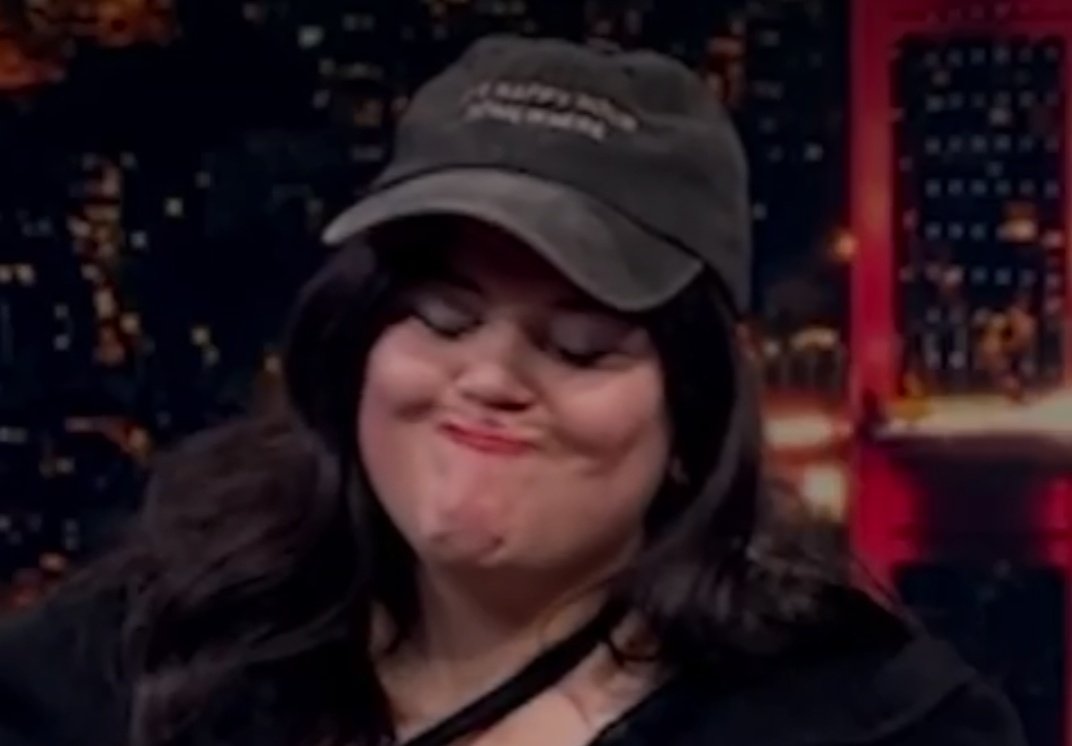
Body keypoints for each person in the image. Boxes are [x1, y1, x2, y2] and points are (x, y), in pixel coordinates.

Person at [0, 35, 1024, 746]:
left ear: (692, 419)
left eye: (579, 348)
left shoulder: (877, 723)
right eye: (443, 320)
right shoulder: (139, 651)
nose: (489, 378)